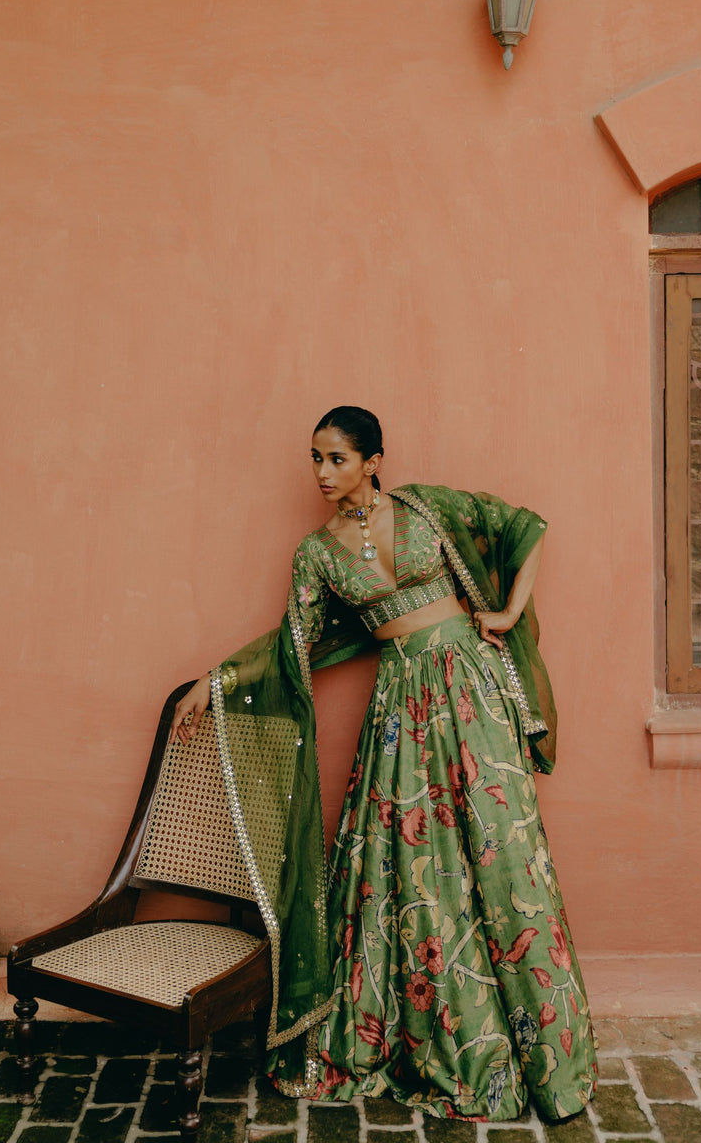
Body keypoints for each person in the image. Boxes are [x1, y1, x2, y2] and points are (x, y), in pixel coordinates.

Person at [170, 406, 596, 1122]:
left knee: (506, 860)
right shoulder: (316, 552)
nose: (322, 473)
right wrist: (211, 682)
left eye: (335, 458)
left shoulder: (429, 508)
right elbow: (291, 646)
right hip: (400, 706)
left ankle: (549, 1063)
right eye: (315, 459)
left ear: (373, 459)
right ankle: (452, 1043)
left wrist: (506, 613)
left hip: (471, 689)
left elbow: (527, 528)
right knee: (415, 871)